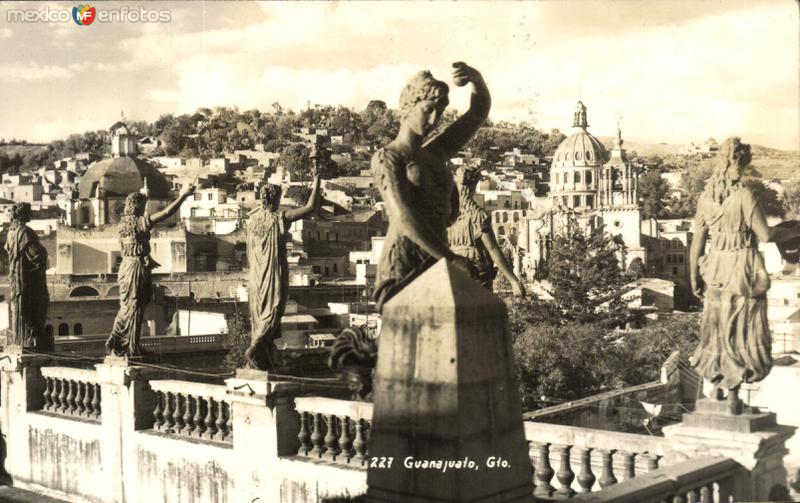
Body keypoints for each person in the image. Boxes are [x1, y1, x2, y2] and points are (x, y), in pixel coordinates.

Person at [690, 137, 800, 412]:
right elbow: (766, 234)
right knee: (741, 329)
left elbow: (697, 242)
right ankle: (734, 398)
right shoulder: (745, 195)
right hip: (742, 267)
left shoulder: (706, 198)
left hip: (715, 268)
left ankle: (715, 391)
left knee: (716, 327)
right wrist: (795, 230)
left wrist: (693, 276)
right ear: (742, 163)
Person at [372, 62, 490, 310]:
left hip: (438, 256)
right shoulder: (390, 156)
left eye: (440, 112)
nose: (434, 119)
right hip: (405, 260)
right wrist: (452, 259)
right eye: (428, 109)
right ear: (409, 106)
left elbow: (477, 113)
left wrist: (476, 80)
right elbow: (403, 216)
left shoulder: (436, 152)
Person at [245, 155, 322, 371]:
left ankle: (264, 353)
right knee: (274, 309)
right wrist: (317, 180)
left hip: (255, 278)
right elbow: (310, 207)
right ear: (276, 199)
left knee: (260, 315)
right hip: (272, 274)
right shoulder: (279, 218)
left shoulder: (252, 223)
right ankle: (255, 347)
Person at [105, 183, 196, 357]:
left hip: (126, 267)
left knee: (127, 306)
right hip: (136, 268)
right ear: (137, 206)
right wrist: (183, 196)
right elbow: (166, 213)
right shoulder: (139, 222)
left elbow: (127, 247)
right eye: (143, 205)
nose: (144, 208)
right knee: (135, 306)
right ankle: (128, 346)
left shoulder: (122, 225)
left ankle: (121, 341)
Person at [448, 165, 526, 296]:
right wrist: (513, 280)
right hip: (475, 269)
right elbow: (493, 249)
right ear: (473, 188)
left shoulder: (448, 214)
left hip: (452, 269)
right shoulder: (478, 215)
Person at [6, 203, 50, 350]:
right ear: (22, 214)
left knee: (21, 308)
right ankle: (30, 337)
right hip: (28, 281)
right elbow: (36, 254)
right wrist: (44, 251)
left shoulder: (11, 232)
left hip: (16, 279)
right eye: (29, 211)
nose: (31, 214)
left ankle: (21, 337)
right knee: (37, 305)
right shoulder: (26, 232)